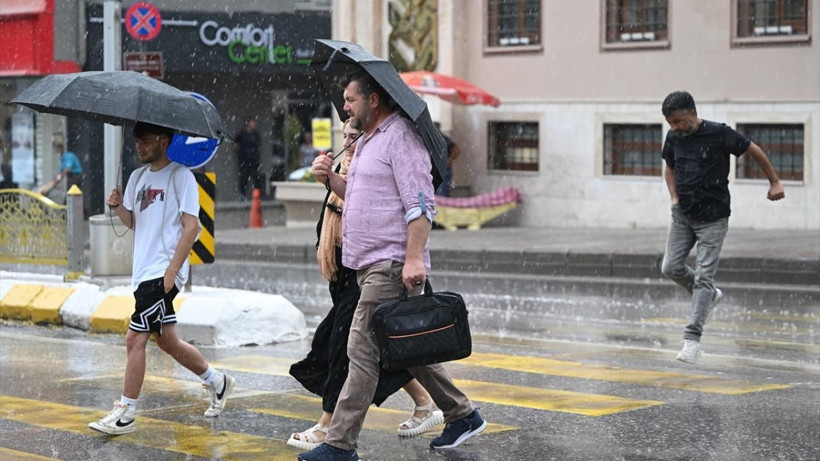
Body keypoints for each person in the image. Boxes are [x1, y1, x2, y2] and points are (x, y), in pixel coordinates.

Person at [299, 71, 485, 461]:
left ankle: (339, 444)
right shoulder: (367, 140)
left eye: (350, 100)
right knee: (408, 349)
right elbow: (363, 196)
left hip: (390, 262)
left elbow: (420, 203)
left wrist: (414, 258)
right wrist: (330, 178)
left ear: (374, 100)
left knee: (360, 351)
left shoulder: (401, 139)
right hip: (365, 263)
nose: (345, 108)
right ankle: (461, 414)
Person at [287, 119, 444, 451]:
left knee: (345, 346)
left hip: (380, 268)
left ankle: (331, 429)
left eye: (355, 136)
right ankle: (442, 405)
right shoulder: (352, 168)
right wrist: (329, 177)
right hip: (350, 270)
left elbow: (413, 207)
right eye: (344, 136)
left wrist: (413, 259)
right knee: (390, 349)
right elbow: (349, 205)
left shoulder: (383, 161)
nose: (349, 142)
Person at [89, 122, 236, 435]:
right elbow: (134, 223)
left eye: (145, 141)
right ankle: (217, 381)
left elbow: (191, 227)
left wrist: (171, 273)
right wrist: (118, 208)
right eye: (136, 141)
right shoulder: (137, 177)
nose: (139, 147)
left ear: (163, 140)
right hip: (143, 271)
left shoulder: (180, 176)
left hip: (162, 272)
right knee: (167, 341)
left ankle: (125, 412)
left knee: (134, 338)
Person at [660, 91, 785, 364]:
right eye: (671, 123)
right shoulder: (673, 137)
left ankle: (692, 341)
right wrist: (674, 198)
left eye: (680, 121)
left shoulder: (720, 134)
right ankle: (710, 295)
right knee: (670, 268)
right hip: (682, 215)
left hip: (713, 219)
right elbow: (669, 167)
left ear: (693, 113)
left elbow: (754, 150)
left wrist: (774, 181)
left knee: (703, 277)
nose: (676, 128)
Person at [37, 134, 83, 199]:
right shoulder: (62, 158)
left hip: (75, 176)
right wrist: (55, 181)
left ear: (59, 148)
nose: (56, 151)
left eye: (56, 149)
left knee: (73, 193)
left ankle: (69, 205)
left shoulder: (68, 156)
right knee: (71, 194)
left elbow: (67, 169)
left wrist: (59, 177)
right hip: (71, 177)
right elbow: (61, 172)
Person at [234, 117, 262, 200]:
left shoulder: (256, 135)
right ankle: (242, 195)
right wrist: (241, 155)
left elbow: (258, 146)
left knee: (256, 177)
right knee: (244, 178)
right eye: (252, 122)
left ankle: (257, 195)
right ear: (248, 123)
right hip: (244, 160)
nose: (253, 124)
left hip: (254, 160)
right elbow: (236, 146)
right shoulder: (241, 134)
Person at [433, 123, 460, 197]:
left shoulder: (443, 139)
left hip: (444, 170)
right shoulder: (433, 139)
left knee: (443, 192)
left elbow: (457, 150)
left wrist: (449, 160)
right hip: (436, 170)